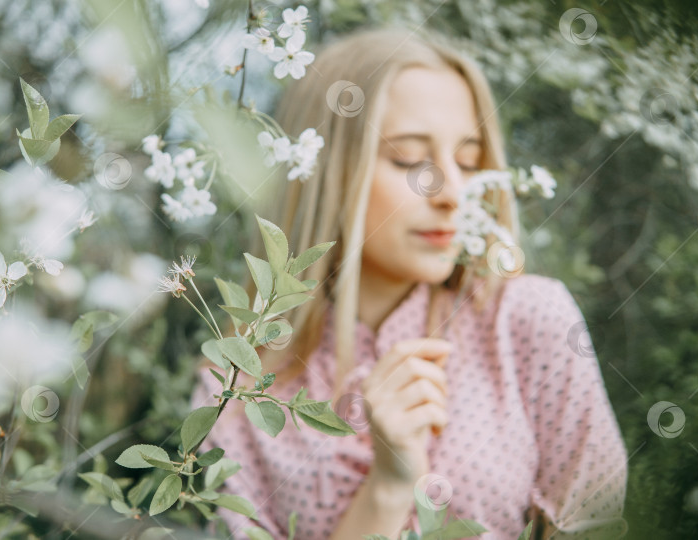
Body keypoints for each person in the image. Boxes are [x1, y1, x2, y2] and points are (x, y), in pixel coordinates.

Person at [190, 26, 628, 540]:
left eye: (468, 162)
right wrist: (389, 486)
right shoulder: (236, 386)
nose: (451, 193)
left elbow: (599, 526)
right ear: (324, 170)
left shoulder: (527, 320)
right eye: (409, 158)